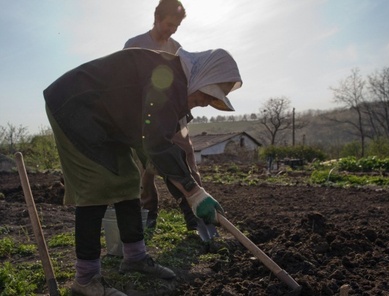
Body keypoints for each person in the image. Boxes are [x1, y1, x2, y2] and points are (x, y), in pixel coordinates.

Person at [43, 47, 242, 296]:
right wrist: (194, 191)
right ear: (201, 78)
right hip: (74, 107)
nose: (205, 103)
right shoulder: (168, 80)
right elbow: (157, 143)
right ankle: (85, 280)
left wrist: (192, 195)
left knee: (128, 180)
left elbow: (157, 150)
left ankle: (135, 257)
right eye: (207, 95)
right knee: (97, 185)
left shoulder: (176, 86)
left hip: (107, 119)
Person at [124, 0, 218, 240]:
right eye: (169, 24)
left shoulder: (177, 48)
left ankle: (194, 218)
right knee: (148, 170)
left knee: (187, 165)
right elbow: (126, 85)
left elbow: (185, 85)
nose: (172, 30)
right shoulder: (135, 45)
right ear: (156, 18)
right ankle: (150, 213)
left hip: (176, 118)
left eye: (176, 26)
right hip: (145, 121)